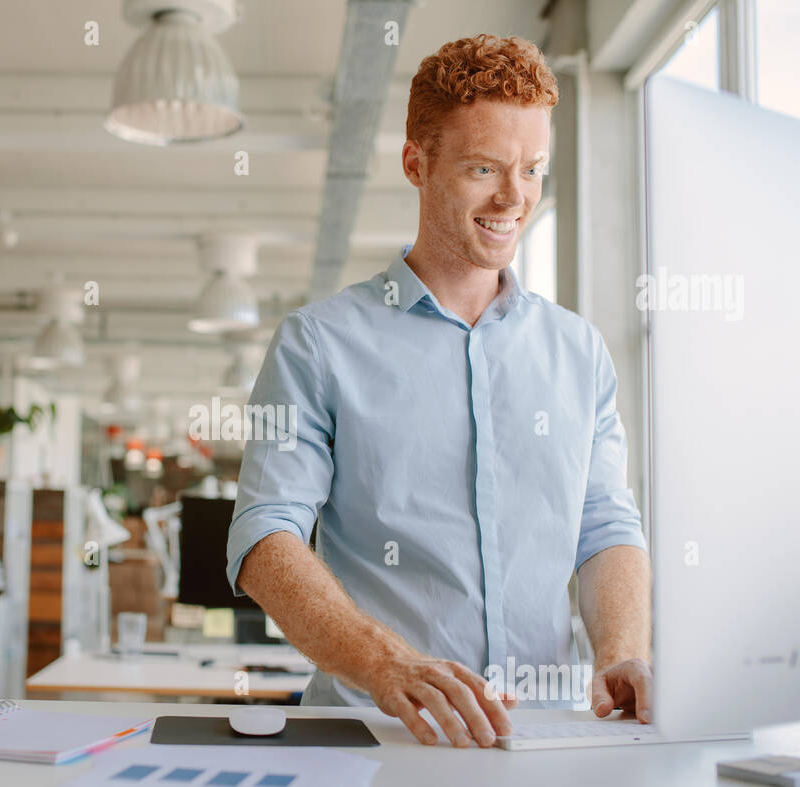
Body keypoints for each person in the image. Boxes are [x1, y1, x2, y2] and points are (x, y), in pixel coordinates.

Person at [225, 34, 653, 747]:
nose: (514, 197)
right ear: (416, 164)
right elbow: (266, 536)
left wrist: (622, 653)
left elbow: (605, 525)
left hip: (544, 743)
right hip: (374, 736)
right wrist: (387, 663)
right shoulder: (319, 344)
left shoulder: (578, 351)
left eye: (533, 169)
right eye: (483, 168)